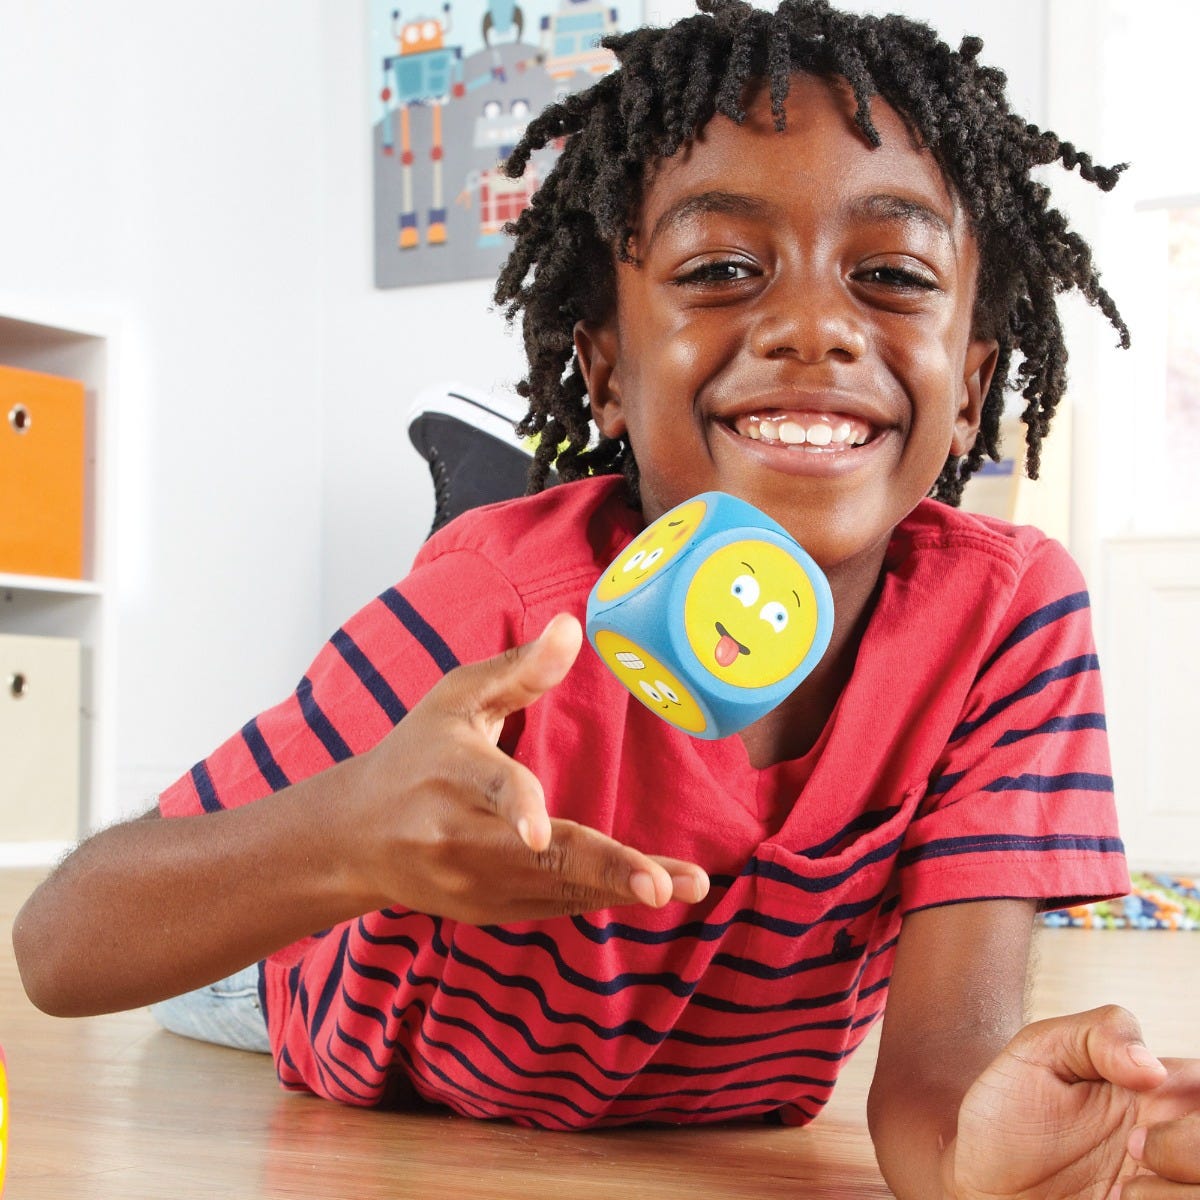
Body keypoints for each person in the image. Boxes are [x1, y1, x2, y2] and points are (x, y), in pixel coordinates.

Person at [14, 1, 1200, 1195]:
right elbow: (60, 946)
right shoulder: (492, 606)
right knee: (236, 959)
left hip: (703, 1091)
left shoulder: (1008, 619)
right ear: (605, 371)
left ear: (975, 381)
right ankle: (530, 499)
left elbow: (946, 1077)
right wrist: (343, 838)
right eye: (723, 270)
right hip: (344, 1011)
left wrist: (997, 1156)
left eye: (891, 274)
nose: (812, 326)